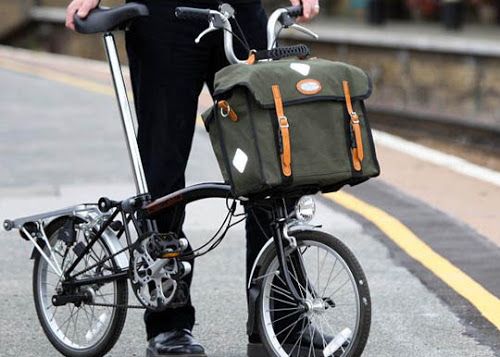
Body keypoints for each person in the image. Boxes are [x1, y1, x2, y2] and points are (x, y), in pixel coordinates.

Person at [65, 0, 319, 356]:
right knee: (164, 169)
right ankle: (169, 323)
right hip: (167, 17)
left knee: (272, 165)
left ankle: (279, 316)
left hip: (241, 12)